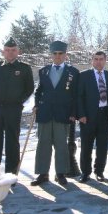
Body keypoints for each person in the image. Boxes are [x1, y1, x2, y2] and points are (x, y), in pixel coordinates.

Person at [31, 41, 79, 187]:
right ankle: (42, 173)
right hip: (45, 113)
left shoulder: (73, 72)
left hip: (63, 114)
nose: (57, 56)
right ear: (51, 55)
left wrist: (73, 113)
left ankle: (61, 174)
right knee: (43, 144)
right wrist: (36, 105)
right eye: (55, 53)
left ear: (66, 55)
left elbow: (76, 95)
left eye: (60, 53)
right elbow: (39, 91)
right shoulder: (43, 71)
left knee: (61, 145)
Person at [0, 38, 34, 175]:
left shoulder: (24, 68)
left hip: (14, 109)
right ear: (3, 52)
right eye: (7, 50)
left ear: (18, 51)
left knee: (12, 140)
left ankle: (11, 171)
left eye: (13, 50)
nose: (10, 53)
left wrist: (18, 101)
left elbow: (29, 88)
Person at [76, 51, 108, 182]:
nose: (98, 62)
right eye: (96, 59)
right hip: (87, 117)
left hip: (104, 116)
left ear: (105, 61)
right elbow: (79, 96)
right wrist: (81, 114)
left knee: (102, 146)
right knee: (86, 146)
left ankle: (99, 171)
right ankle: (85, 173)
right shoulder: (84, 76)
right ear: (92, 61)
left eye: (101, 59)